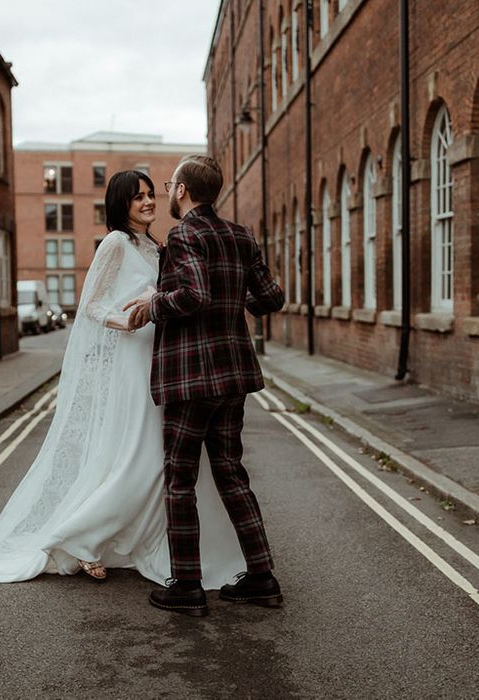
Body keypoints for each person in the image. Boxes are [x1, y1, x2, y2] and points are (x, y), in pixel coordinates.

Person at [0, 170, 244, 587]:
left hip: (162, 360)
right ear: (120, 204)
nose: (148, 202)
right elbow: (92, 306)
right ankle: (80, 538)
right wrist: (126, 322)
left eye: (151, 194)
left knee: (159, 458)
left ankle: (145, 539)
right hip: (132, 360)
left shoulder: (156, 246)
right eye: (138, 197)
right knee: (143, 457)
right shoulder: (116, 244)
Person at [124, 155, 285, 616]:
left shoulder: (185, 234)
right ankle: (261, 577)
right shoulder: (240, 235)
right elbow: (271, 297)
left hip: (192, 377)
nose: (167, 191)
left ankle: (188, 586)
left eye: (170, 184)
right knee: (232, 473)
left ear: (182, 191)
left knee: (180, 478)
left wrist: (153, 304)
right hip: (233, 374)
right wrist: (236, 298)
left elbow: (193, 295)